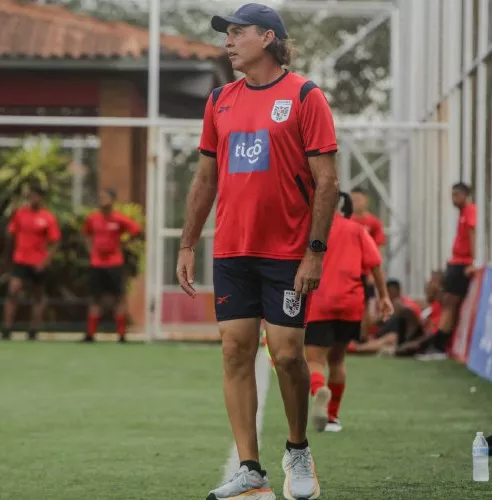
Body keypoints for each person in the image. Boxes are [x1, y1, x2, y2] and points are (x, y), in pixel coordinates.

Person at [176, 4, 339, 500]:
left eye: (237, 32)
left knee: (288, 355)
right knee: (234, 351)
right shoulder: (220, 100)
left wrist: (314, 254)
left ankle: (296, 448)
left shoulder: (306, 96)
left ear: (268, 37)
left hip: (287, 254)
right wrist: (187, 243)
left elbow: (327, 183)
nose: (228, 41)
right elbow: (206, 178)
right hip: (231, 251)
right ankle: (250, 468)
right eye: (226, 33)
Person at [305, 192, 393, 433]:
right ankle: (332, 416)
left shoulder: (309, 229)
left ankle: (318, 391)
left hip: (319, 301)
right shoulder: (357, 229)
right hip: (350, 301)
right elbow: (375, 264)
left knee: (314, 360)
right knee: (337, 360)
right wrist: (384, 297)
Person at [0, 184, 60, 341]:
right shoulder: (19, 214)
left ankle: (33, 329)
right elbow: (10, 235)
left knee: (38, 296)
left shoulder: (48, 217)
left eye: (37, 195)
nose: (34, 198)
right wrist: (6, 257)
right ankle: (7, 328)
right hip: (20, 260)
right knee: (13, 291)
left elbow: (55, 242)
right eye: (32, 195)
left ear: (42, 198)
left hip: (38, 263)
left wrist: (45, 262)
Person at [423, 182, 477, 357]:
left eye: (456, 195)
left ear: (465, 195)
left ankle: (439, 345)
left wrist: (472, 262)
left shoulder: (470, 210)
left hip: (462, 264)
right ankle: (438, 342)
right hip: (456, 263)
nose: (453, 199)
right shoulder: (462, 213)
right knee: (447, 301)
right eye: (452, 195)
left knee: (450, 303)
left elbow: (472, 234)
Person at [82, 188, 141, 343]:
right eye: (100, 197)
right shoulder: (93, 219)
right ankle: (90, 334)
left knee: (119, 298)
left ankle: (121, 335)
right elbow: (86, 234)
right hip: (96, 264)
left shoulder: (119, 219)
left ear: (113, 200)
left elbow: (136, 230)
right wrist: (91, 251)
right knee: (95, 299)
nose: (102, 200)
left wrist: (124, 244)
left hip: (115, 264)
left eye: (105, 197)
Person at [350, 187, 386, 341]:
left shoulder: (374, 222)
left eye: (358, 199)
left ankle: (362, 336)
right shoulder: (346, 221)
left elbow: (378, 249)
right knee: (350, 302)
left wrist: (373, 273)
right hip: (349, 271)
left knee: (366, 303)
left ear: (366, 201)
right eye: (352, 200)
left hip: (365, 272)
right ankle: (348, 337)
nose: (355, 203)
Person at [353, 278, 422, 355]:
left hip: (400, 338)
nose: (387, 296)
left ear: (398, 291)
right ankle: (360, 346)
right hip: (381, 336)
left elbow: (416, 325)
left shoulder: (409, 305)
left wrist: (399, 309)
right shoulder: (384, 305)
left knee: (391, 336)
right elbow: (373, 323)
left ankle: (357, 349)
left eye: (389, 292)